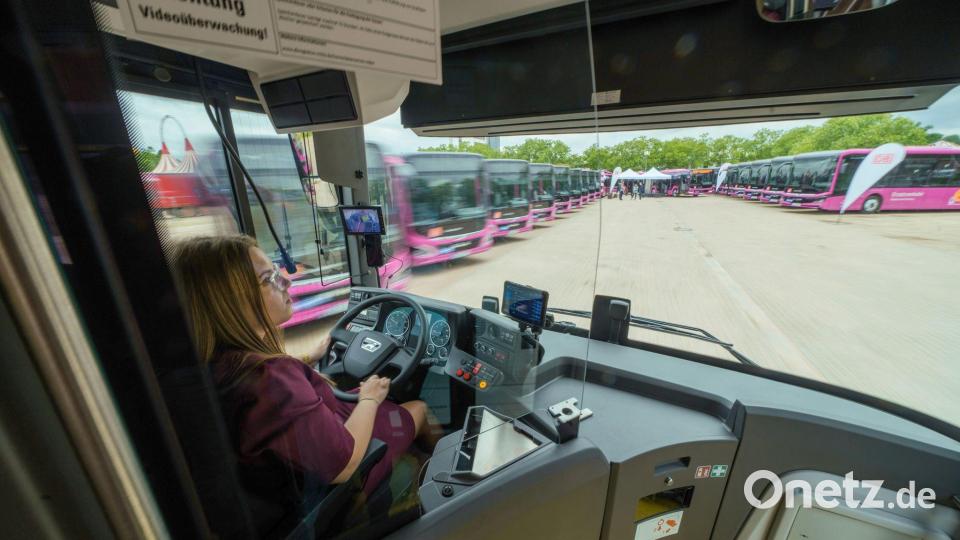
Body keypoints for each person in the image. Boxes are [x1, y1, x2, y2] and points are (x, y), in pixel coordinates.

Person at [171, 235, 434, 535]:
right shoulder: (271, 378)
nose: (286, 281)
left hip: (304, 460)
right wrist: (370, 399)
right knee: (418, 407)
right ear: (228, 300)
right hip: (339, 481)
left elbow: (278, 395)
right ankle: (442, 491)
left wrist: (310, 356)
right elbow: (346, 463)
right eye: (268, 277)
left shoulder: (218, 364)